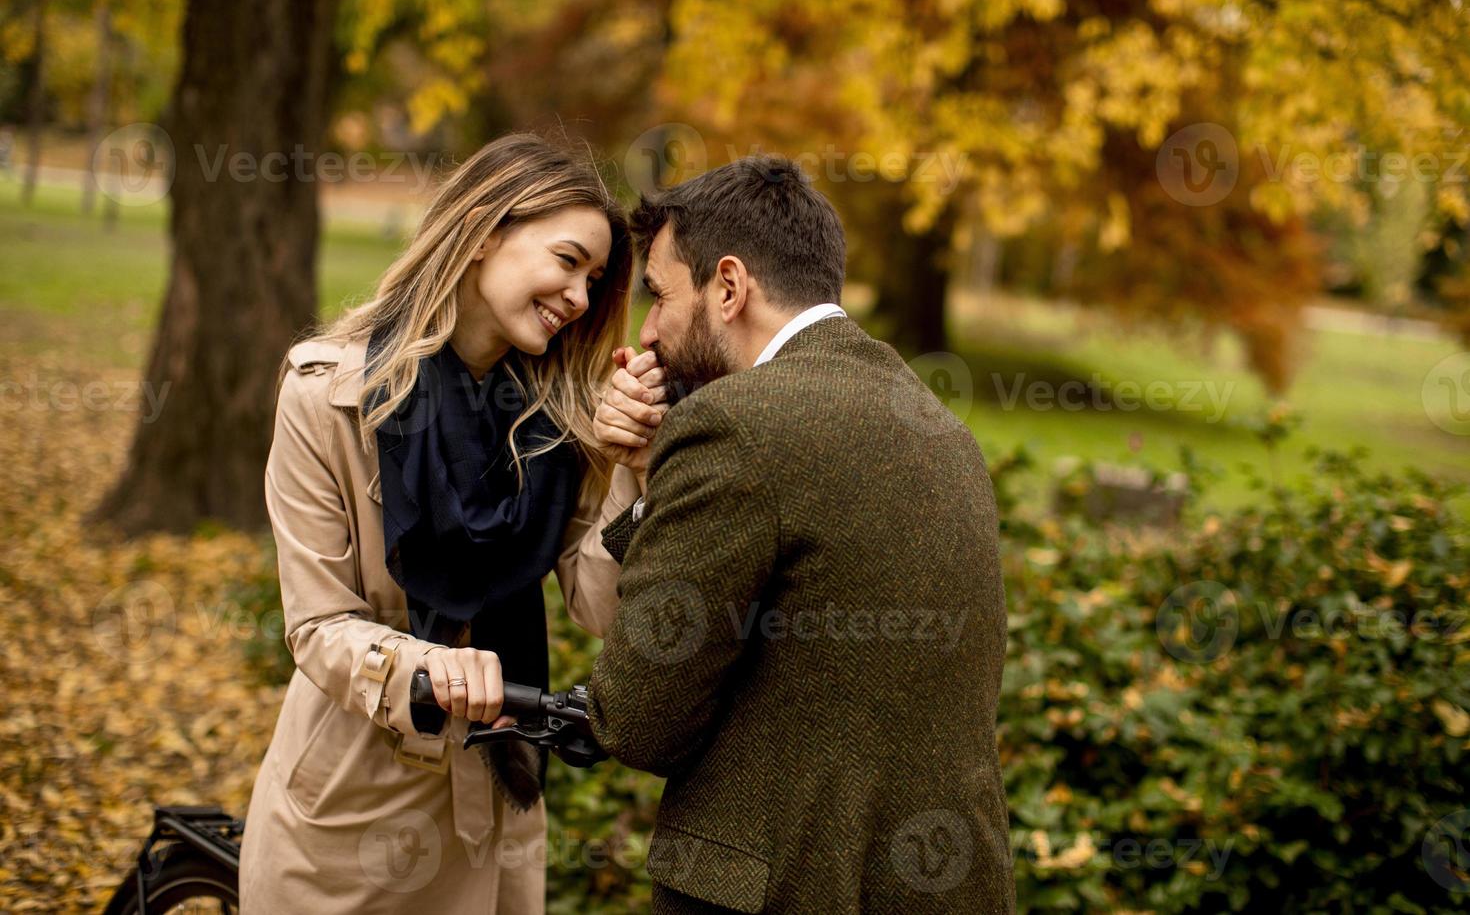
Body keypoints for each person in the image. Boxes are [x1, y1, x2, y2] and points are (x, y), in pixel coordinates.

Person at [585, 156, 1014, 913]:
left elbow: (636, 718)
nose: (647, 332)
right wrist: (660, 472)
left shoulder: (734, 426)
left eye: (658, 296)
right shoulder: (941, 429)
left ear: (728, 286)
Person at [238, 133, 645, 913]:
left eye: (596, 280)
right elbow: (318, 623)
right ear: (486, 230)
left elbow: (601, 606)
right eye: (567, 261)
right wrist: (422, 667)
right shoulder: (328, 397)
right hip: (353, 816)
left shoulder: (559, 423)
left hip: (495, 806)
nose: (582, 300)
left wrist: (632, 464)